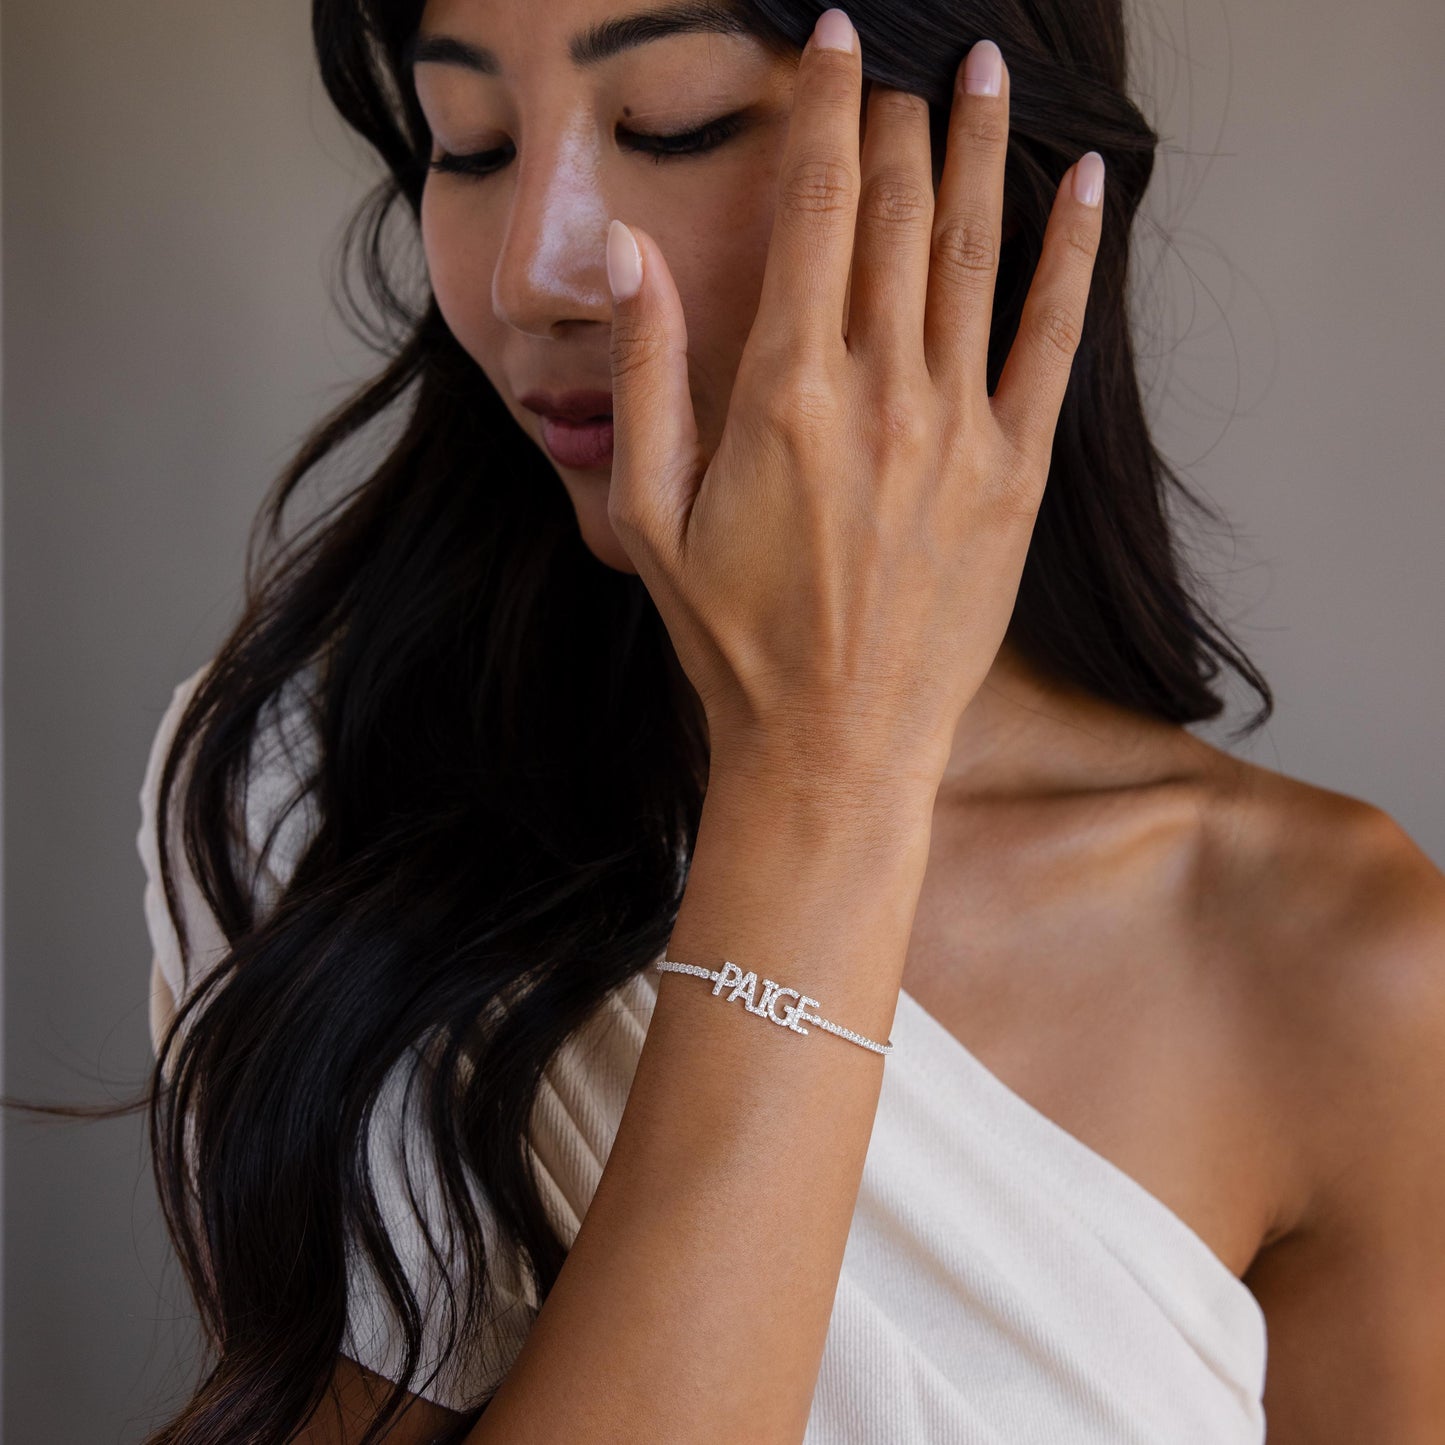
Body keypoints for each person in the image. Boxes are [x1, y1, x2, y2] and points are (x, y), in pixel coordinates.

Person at [133, 1, 1445, 1441]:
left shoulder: (1344, 960)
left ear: (977, 173)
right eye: (472, 145)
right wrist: (817, 784)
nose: (532, 275)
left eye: (672, 127)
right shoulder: (326, 781)